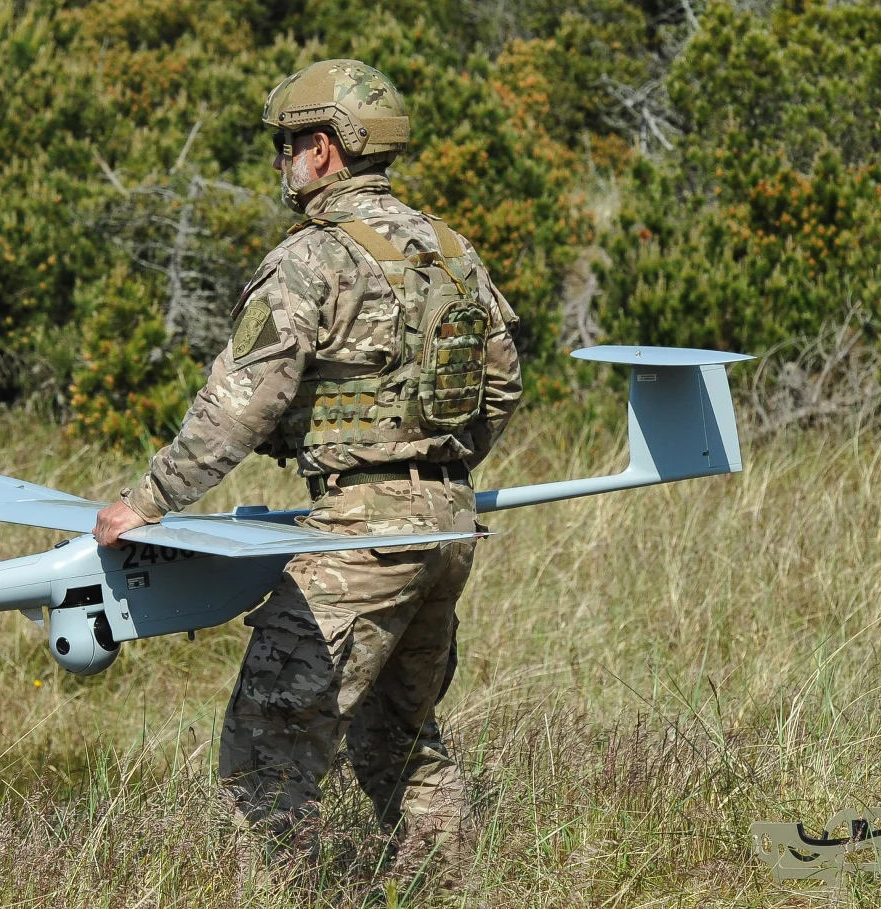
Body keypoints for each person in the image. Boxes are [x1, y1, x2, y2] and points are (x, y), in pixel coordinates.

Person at [91, 59, 523, 882]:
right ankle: (444, 891)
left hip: (361, 539)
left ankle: (302, 893)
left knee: (265, 751)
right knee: (404, 740)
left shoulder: (310, 260)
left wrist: (146, 499)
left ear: (324, 149)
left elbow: (244, 401)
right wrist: (434, 471)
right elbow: (501, 383)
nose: (283, 161)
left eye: (288, 144)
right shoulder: (455, 253)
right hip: (450, 527)